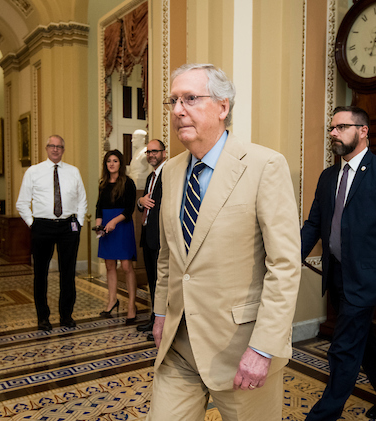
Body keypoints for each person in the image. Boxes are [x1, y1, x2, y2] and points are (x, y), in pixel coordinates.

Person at [148, 63, 301, 421]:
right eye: (173, 100)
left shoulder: (265, 166)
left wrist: (263, 348)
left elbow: (285, 265)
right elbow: (169, 255)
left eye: (190, 98)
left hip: (241, 350)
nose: (177, 110)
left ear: (223, 106)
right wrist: (159, 313)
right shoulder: (171, 172)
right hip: (179, 347)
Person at [301, 106, 376, 420]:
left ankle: (323, 415)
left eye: (340, 127)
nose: (332, 134)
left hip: (369, 278)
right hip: (337, 274)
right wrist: (288, 259)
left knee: (343, 347)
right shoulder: (328, 177)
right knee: (362, 339)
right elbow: (314, 225)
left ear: (362, 131)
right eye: (331, 128)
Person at [16, 135, 88, 331]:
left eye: (59, 147)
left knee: (68, 273)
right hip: (42, 227)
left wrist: (78, 222)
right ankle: (43, 317)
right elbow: (22, 203)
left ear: (63, 150)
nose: (55, 149)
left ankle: (66, 315)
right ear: (47, 148)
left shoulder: (73, 172)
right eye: (52, 146)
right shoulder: (34, 171)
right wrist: (34, 224)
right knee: (41, 273)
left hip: (68, 228)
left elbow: (82, 200)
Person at [95, 150, 138, 324]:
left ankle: (132, 306)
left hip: (121, 226)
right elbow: (99, 207)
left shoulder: (128, 183)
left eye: (115, 161)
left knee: (127, 266)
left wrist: (113, 222)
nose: (111, 164)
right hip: (106, 227)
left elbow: (129, 210)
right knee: (109, 264)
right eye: (108, 161)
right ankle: (112, 300)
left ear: (120, 163)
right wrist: (99, 225)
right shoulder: (103, 183)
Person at [136, 139, 167, 341]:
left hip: (161, 238)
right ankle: (154, 319)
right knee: (152, 282)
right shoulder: (150, 177)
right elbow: (146, 203)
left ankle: (162, 324)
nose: (151, 155)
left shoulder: (169, 175)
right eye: (148, 152)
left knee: (162, 283)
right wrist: (140, 202)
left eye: (155, 151)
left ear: (164, 153)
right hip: (148, 236)